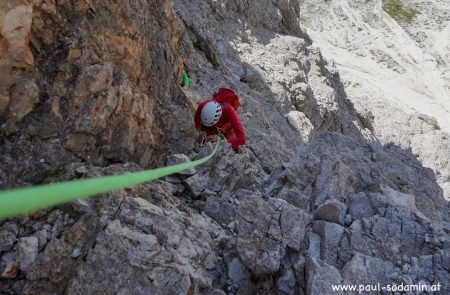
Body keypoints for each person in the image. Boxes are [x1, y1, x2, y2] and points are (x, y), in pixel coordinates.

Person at [194, 88, 246, 153]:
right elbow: (196, 123)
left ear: (220, 117)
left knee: (235, 147)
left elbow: (242, 139)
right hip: (210, 128)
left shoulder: (230, 112)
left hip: (226, 128)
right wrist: (200, 132)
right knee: (205, 140)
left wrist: (221, 142)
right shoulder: (203, 106)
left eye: (213, 124)